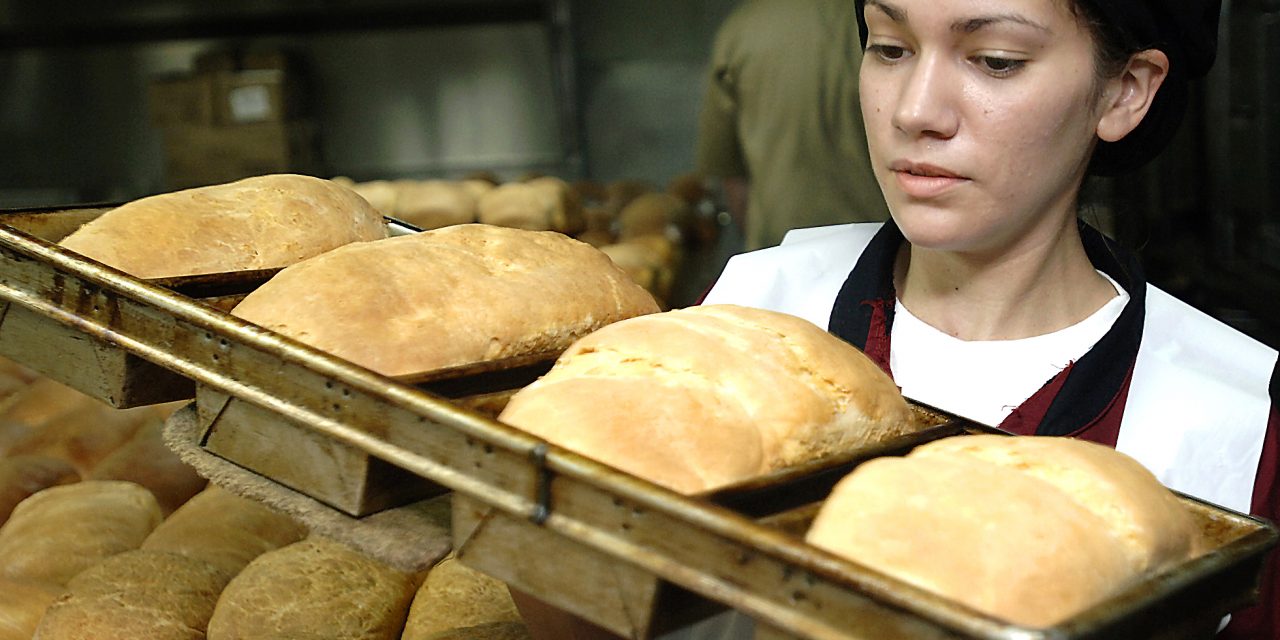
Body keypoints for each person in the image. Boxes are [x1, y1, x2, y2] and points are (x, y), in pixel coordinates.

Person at [703, 0, 1277, 638]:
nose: (914, 111)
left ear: (1124, 92)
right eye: (890, 48)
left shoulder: (1232, 428)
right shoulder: (749, 316)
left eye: (995, 61)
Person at [696, 0, 890, 251]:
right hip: (878, 250)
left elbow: (730, 171)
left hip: (778, 250)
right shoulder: (882, 23)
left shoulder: (742, 29)